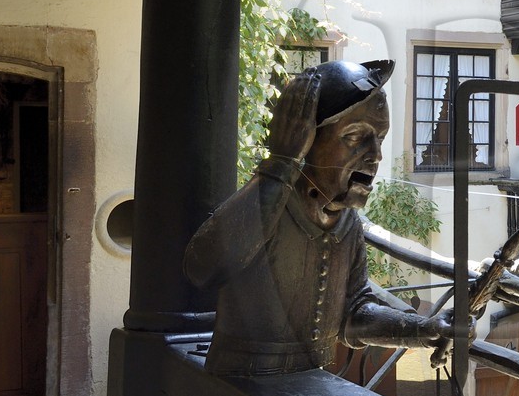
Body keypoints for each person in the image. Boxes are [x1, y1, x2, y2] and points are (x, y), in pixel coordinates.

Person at [184, 59, 450, 376]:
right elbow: (201, 268)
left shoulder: (347, 223)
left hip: (308, 387)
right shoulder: (267, 206)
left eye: (379, 138)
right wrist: (281, 162)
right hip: (241, 389)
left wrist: (424, 330)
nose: (375, 155)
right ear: (305, 139)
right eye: (355, 136)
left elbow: (353, 311)